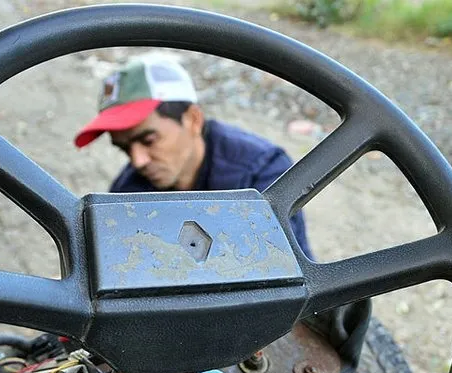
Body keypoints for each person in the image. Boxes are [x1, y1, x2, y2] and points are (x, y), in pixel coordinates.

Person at [73, 56, 313, 258]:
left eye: (148, 140)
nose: (138, 161)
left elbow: (288, 278)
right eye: (124, 148)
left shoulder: (260, 171)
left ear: (193, 119)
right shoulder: (126, 194)